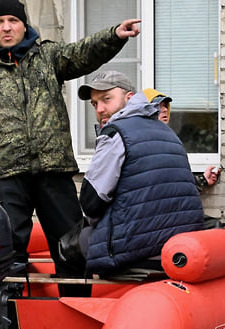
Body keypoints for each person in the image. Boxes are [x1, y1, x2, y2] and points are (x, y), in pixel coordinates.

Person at [0, 0, 141, 291]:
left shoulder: (48, 57)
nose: (7, 27)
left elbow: (82, 53)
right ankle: (8, 323)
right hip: (5, 176)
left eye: (13, 20)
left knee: (72, 246)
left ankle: (77, 309)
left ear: (24, 25)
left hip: (54, 170)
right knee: (7, 252)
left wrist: (113, 36)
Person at [71, 73, 205, 275]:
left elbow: (91, 203)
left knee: (67, 246)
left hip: (136, 249)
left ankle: (78, 303)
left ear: (130, 98)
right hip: (181, 245)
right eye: (94, 104)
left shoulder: (115, 133)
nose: (100, 110)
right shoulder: (167, 132)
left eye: (107, 99)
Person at [142, 87, 220, 191]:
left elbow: (174, 180)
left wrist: (202, 180)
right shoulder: (140, 142)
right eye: (158, 107)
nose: (164, 110)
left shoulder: (169, 140)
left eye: (165, 106)